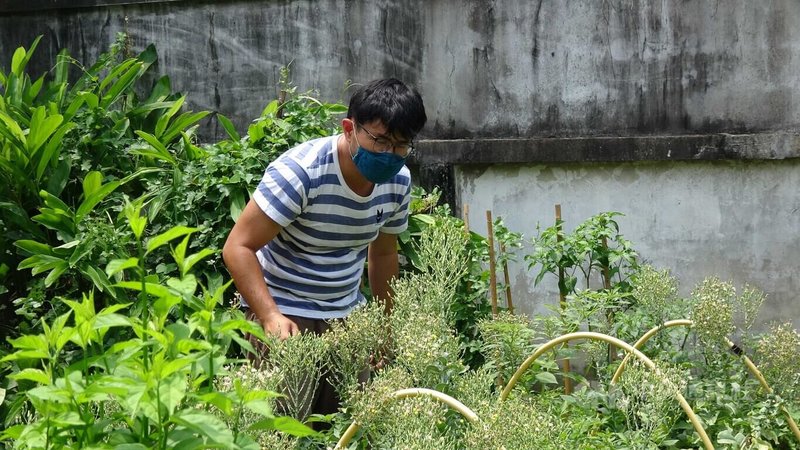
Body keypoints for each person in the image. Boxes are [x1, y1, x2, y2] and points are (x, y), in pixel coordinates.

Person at [222, 77, 427, 416]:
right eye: (381, 141)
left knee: (347, 426)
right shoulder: (302, 173)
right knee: (282, 428)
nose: (390, 155)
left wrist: (384, 327)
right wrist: (269, 316)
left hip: (348, 316)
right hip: (286, 312)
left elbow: (384, 253)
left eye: (401, 145)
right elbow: (237, 246)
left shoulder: (397, 182)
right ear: (349, 128)